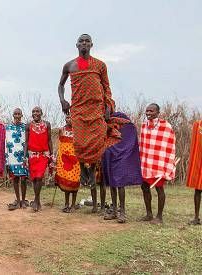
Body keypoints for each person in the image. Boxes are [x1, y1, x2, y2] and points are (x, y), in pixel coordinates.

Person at [58, 34, 118, 190]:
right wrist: (63, 100)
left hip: (96, 108)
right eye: (81, 41)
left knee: (97, 141)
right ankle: (84, 169)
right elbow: (61, 85)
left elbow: (106, 87)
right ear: (76, 45)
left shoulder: (100, 65)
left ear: (92, 44)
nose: (84, 43)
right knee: (79, 142)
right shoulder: (69, 65)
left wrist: (108, 106)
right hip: (78, 108)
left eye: (87, 41)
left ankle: (91, 169)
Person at [102, 112, 143, 223]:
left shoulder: (127, 124)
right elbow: (104, 139)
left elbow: (130, 142)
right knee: (112, 183)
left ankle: (122, 213)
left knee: (120, 184)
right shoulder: (107, 124)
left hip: (121, 157)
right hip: (110, 156)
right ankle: (114, 211)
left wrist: (122, 152)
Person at [139, 103, 176, 224]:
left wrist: (168, 164)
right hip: (146, 163)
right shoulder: (144, 126)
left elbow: (170, 145)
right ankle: (149, 214)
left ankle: (159, 217)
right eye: (147, 111)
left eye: (151, 111)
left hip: (159, 164)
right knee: (144, 187)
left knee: (159, 189)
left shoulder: (166, 126)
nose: (148, 113)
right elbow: (142, 145)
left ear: (158, 112)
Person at [24, 107, 53, 212]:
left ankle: (36, 200)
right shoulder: (28, 125)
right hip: (32, 155)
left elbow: (49, 140)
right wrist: (24, 156)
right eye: (33, 111)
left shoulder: (47, 124)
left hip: (43, 154)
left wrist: (52, 154)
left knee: (39, 177)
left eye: (37, 111)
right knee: (34, 178)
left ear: (42, 113)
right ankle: (38, 200)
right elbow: (26, 142)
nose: (35, 113)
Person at [54, 114, 80, 213]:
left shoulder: (78, 131)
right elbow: (60, 145)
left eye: (71, 117)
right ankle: (66, 204)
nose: (68, 119)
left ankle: (73, 204)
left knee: (74, 181)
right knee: (66, 181)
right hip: (64, 159)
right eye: (67, 117)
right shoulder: (62, 130)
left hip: (75, 159)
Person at [6, 108, 29, 210]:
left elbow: (28, 142)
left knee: (23, 179)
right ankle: (18, 199)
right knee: (15, 178)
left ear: (21, 115)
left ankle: (23, 200)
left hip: (23, 157)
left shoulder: (25, 127)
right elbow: (5, 143)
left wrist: (26, 156)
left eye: (19, 114)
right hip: (12, 157)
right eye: (15, 114)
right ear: (13, 115)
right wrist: (6, 158)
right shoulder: (8, 128)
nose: (17, 116)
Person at [187, 120, 202, 225]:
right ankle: (196, 218)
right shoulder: (198, 125)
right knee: (198, 190)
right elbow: (195, 144)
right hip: (199, 160)